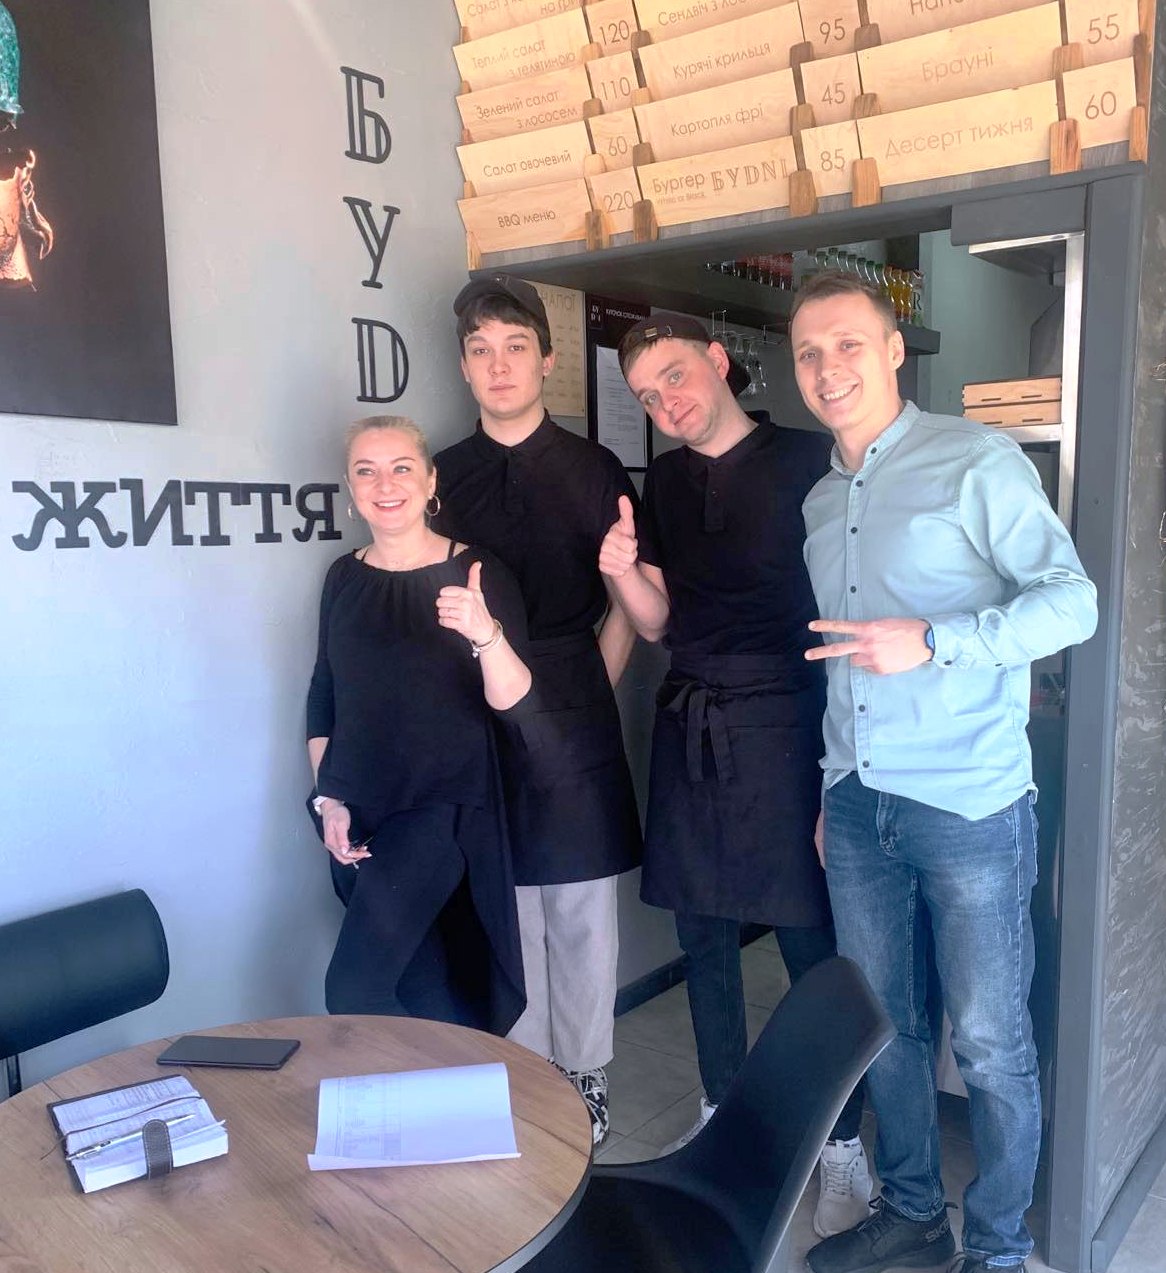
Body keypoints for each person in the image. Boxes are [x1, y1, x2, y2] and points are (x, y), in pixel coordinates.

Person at [791, 272, 1098, 1273]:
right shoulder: (819, 500)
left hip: (969, 804)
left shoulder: (974, 459)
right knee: (884, 1027)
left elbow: (1071, 603)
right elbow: (842, 669)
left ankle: (999, 1249)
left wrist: (934, 638)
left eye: (847, 343)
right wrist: (832, 787)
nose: (828, 368)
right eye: (807, 352)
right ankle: (914, 1214)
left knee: (991, 1043)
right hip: (858, 804)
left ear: (893, 350)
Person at [600, 311, 872, 1238]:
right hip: (692, 721)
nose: (666, 403)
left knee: (811, 947)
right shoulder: (665, 482)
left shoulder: (809, 459)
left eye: (676, 376)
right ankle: (722, 1113)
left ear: (718, 361)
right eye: (647, 395)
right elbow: (659, 621)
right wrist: (621, 572)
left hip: (790, 722)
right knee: (704, 936)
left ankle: (840, 1143)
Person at [433, 275, 643, 1145]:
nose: (499, 364)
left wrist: (589, 689)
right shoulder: (442, 476)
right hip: (474, 707)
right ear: (464, 366)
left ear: (547, 360)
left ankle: (585, 1076)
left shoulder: (595, 469)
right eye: (481, 350)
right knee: (505, 900)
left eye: (515, 347)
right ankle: (523, 1078)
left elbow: (629, 601)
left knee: (582, 906)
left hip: (574, 697)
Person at [306, 415, 532, 1035]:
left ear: (431, 481)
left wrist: (485, 633)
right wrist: (328, 801)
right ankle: (463, 1093)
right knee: (425, 993)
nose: (385, 484)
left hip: (443, 811)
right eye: (367, 471)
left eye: (401, 467)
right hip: (358, 810)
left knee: (354, 987)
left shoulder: (477, 572)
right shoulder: (343, 576)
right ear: (351, 488)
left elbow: (516, 700)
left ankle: (451, 1090)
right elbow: (325, 692)